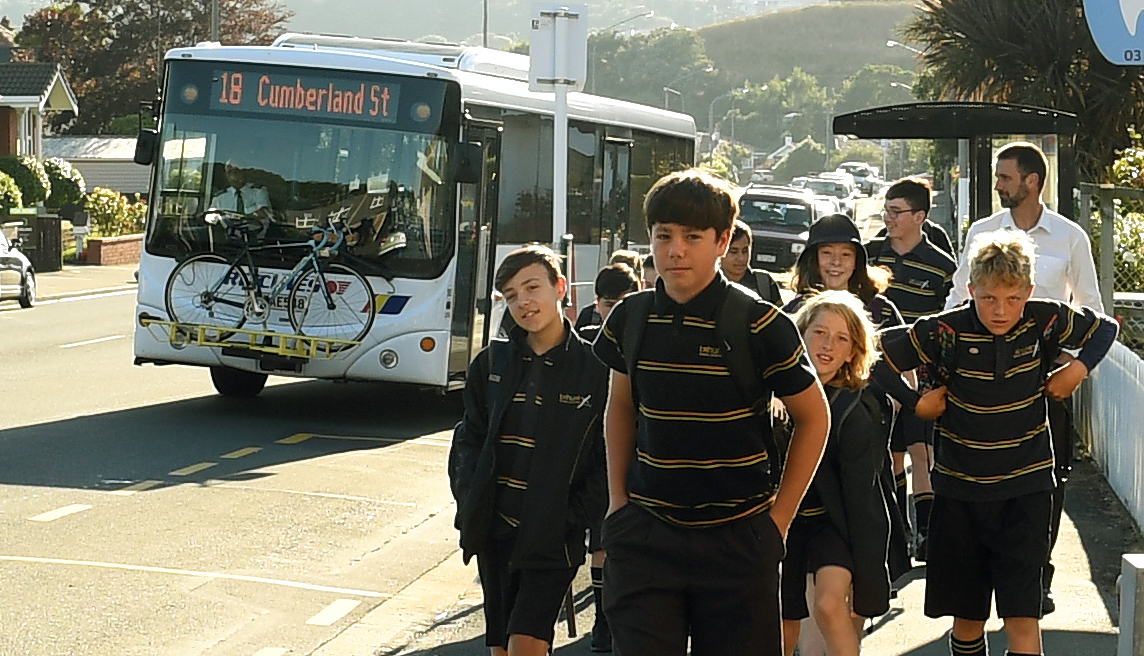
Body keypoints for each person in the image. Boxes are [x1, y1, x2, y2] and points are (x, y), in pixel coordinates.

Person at [593, 168, 830, 656]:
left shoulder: (760, 322)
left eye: (692, 237)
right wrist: (618, 504)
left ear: (723, 241)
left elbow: (814, 417)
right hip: (646, 536)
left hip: (738, 540)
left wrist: (777, 523)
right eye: (664, 236)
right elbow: (620, 407)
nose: (675, 250)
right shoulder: (630, 318)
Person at [876, 229, 1117, 656]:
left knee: (1023, 616)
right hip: (959, 490)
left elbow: (1105, 329)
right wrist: (916, 403)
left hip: (1026, 492)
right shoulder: (944, 330)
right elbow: (877, 358)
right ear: (971, 290)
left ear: (1027, 290)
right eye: (988, 298)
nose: (1000, 310)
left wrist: (1077, 370)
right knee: (968, 618)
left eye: (1012, 298)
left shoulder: (1046, 318)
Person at [945, 141, 1104, 613]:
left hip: (1045, 382)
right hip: (980, 383)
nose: (998, 185)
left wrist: (1073, 368)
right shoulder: (982, 232)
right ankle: (984, 580)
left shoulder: (1070, 236)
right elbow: (957, 300)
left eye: (1006, 177)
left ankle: (1037, 576)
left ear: (1033, 181)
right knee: (979, 476)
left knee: (1049, 479)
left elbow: (1092, 308)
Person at [448, 245, 608, 656]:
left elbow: (608, 458)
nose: (523, 301)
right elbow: (468, 439)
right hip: (495, 531)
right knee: (501, 648)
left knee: (527, 644)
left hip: (553, 538)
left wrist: (572, 517)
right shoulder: (491, 364)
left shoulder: (596, 369)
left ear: (560, 288)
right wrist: (470, 498)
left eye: (532, 287)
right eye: (511, 294)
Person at [781, 291, 907, 656]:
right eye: (818, 333)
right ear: (800, 334)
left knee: (829, 604)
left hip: (836, 523)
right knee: (783, 626)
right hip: (782, 523)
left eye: (841, 339)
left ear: (854, 351)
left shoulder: (858, 407)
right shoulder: (772, 393)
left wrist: (871, 582)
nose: (827, 345)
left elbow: (865, 499)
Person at [865, 177, 958, 562]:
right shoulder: (868, 255)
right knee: (890, 455)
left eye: (897, 211)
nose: (889, 218)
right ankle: (898, 530)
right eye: (886, 210)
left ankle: (927, 534)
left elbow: (952, 319)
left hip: (922, 373)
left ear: (920, 216)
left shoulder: (942, 266)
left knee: (923, 452)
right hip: (871, 368)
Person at [576, 261, 639, 652]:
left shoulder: (647, 335)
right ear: (596, 302)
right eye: (607, 303)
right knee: (599, 545)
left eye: (622, 302)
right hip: (590, 456)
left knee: (620, 546)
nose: (613, 310)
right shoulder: (584, 341)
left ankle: (615, 617)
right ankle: (602, 620)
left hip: (634, 455)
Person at [784, 213, 903, 331]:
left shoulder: (881, 310)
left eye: (846, 254)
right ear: (813, 259)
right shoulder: (794, 311)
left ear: (857, 262)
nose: (836, 262)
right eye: (827, 252)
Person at [576, 251, 646, 331]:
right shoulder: (587, 334)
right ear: (597, 303)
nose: (617, 312)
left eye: (623, 306)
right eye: (610, 305)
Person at [722, 218, 782, 305]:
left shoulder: (764, 283)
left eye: (745, 251)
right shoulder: (708, 283)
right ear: (721, 250)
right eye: (734, 251)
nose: (741, 258)